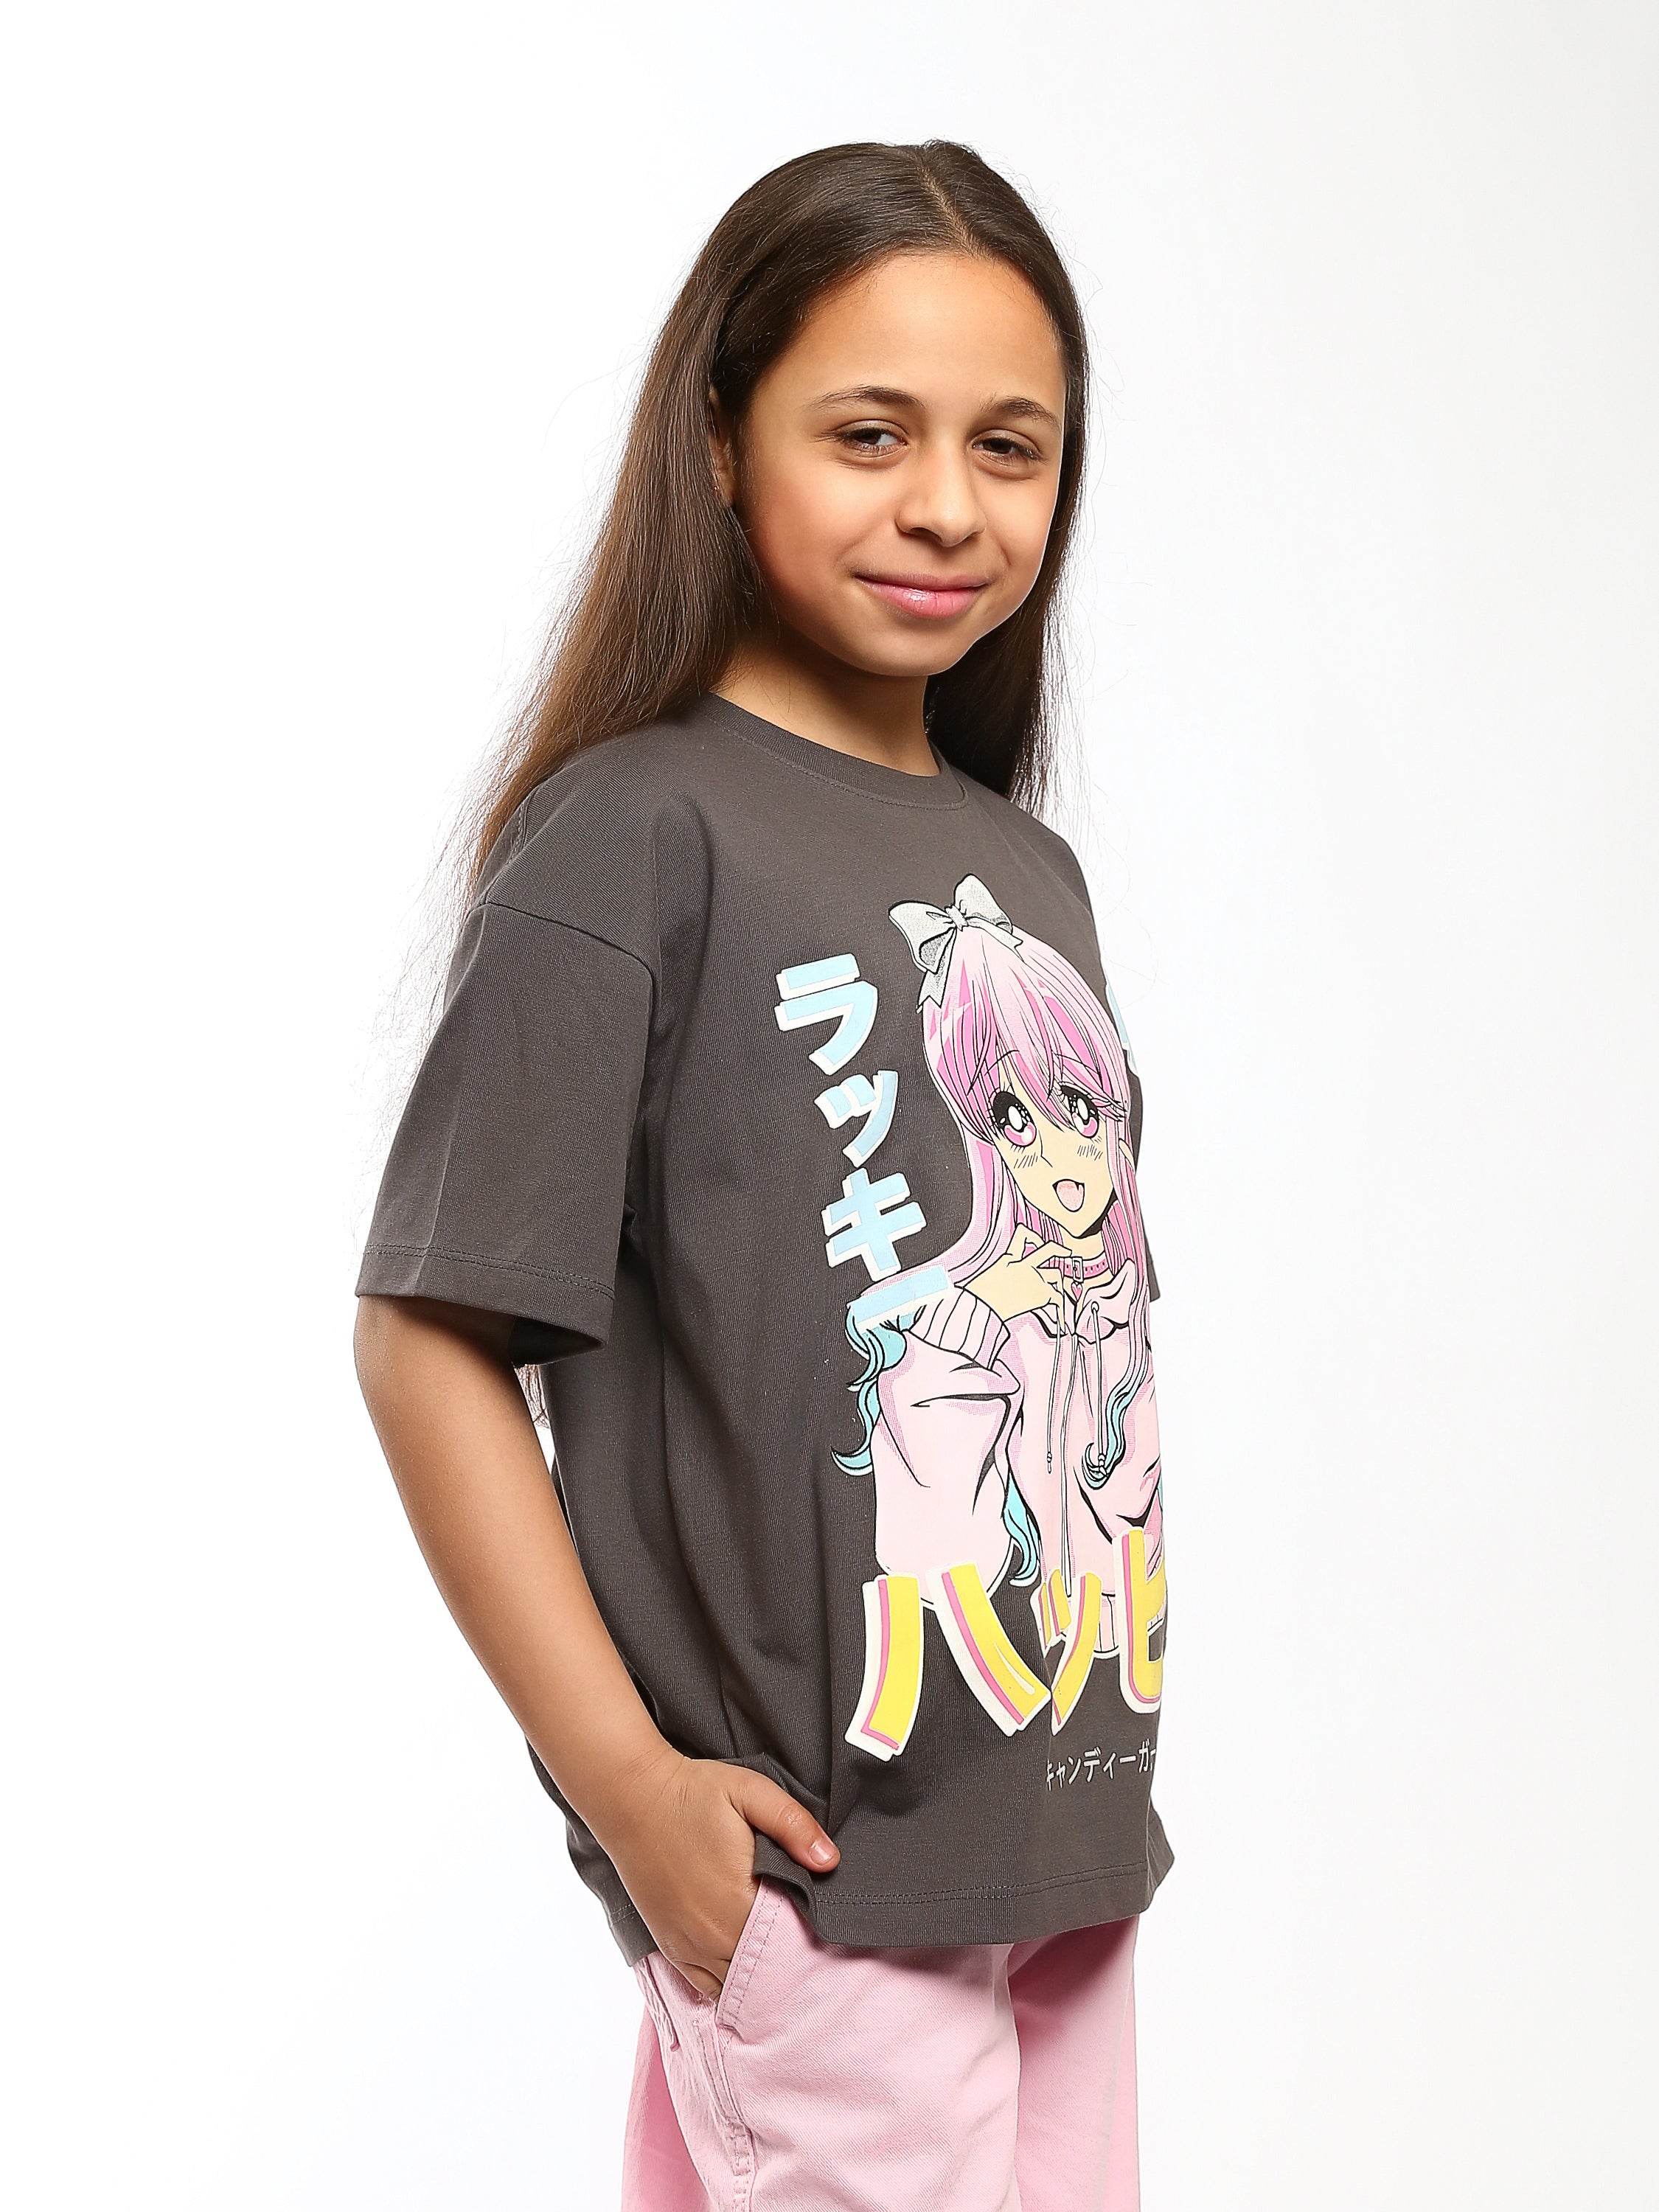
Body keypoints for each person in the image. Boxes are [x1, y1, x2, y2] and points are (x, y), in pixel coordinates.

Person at [354, 138, 1172, 2212]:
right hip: (814, 1858)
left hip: (1054, 1820)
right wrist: (632, 1794)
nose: (947, 504)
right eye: (868, 433)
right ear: (720, 445)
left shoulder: (1022, 868)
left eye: (1010, 445)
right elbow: (428, 1339)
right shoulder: (637, 836)